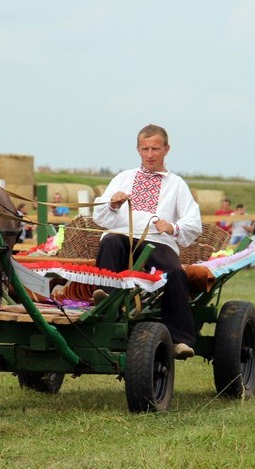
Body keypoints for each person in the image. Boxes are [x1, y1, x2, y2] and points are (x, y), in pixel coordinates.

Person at [93, 124, 202, 359]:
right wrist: (112, 204)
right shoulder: (123, 178)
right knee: (110, 241)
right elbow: (98, 215)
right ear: (138, 149)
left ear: (166, 149)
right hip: (122, 233)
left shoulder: (177, 184)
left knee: (173, 270)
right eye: (145, 149)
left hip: (157, 239)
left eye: (155, 148)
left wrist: (172, 227)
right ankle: (108, 301)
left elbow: (194, 222)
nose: (150, 154)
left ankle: (180, 339)